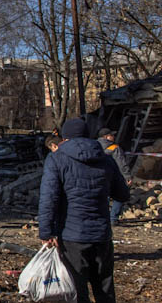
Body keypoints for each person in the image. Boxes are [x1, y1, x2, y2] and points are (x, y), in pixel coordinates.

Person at [39, 118, 130, 303]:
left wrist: (46, 231)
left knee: (77, 290)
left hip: (72, 235)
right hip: (102, 234)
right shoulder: (106, 159)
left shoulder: (56, 159)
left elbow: (49, 197)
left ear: (64, 137)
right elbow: (123, 194)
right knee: (105, 289)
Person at [96, 128, 132, 224]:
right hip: (112, 176)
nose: (114, 137)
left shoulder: (94, 146)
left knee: (103, 197)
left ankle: (102, 217)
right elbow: (121, 163)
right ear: (106, 137)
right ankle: (113, 219)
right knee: (119, 196)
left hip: (97, 176)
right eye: (111, 135)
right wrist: (127, 176)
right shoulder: (114, 148)